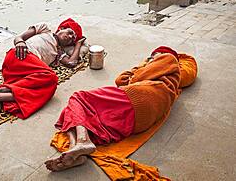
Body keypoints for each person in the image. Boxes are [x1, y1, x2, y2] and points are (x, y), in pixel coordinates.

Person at [45, 46, 181, 172]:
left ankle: (82, 141)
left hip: (140, 96)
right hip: (140, 121)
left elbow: (127, 79)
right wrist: (142, 69)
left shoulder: (168, 57)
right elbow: (121, 81)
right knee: (85, 120)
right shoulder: (168, 78)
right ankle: (75, 150)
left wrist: (143, 65)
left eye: (153, 56)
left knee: (78, 98)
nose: (150, 59)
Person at [0, 18, 86, 120]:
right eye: (70, 32)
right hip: (20, 55)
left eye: (73, 39)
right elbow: (19, 37)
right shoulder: (44, 29)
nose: (70, 37)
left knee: (49, 86)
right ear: (61, 29)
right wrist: (20, 42)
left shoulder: (59, 53)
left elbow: (71, 63)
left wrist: (78, 44)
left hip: (25, 74)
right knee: (51, 77)